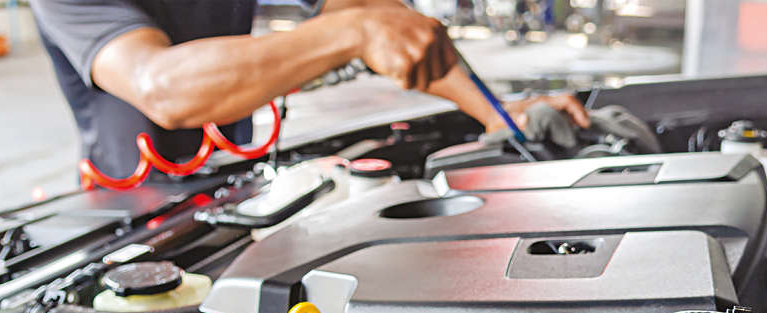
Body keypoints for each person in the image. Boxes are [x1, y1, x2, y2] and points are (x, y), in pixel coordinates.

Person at [29, 0, 591, 179]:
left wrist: (496, 114)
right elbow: (162, 88)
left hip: (235, 190)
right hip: (128, 224)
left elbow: (389, 26)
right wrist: (352, 32)